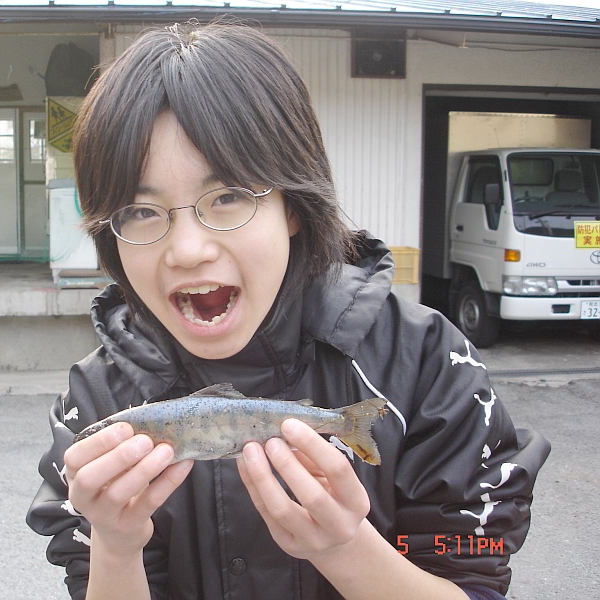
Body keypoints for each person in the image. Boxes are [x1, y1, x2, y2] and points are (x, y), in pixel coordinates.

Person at [27, 21, 549, 600]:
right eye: (140, 211)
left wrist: (348, 551)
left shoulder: (427, 365)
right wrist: (115, 547)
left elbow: (473, 578)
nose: (188, 250)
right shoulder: (96, 403)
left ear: (293, 205)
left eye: (228, 197)